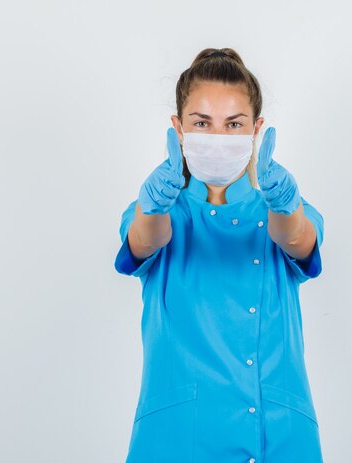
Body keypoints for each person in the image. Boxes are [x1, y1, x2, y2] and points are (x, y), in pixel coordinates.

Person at [114, 47, 325, 463]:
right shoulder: (157, 210)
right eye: (201, 124)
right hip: (178, 439)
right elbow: (145, 239)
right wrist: (154, 206)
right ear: (178, 128)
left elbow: (297, 238)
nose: (218, 138)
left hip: (277, 436)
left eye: (233, 124)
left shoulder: (284, 207)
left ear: (256, 130)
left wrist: (284, 204)